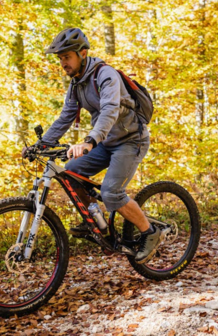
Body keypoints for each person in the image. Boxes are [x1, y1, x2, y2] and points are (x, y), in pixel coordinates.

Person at [31, 28, 160, 264]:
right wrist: (40, 145)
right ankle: (95, 219)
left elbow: (110, 110)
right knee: (71, 173)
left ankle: (151, 233)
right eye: (60, 58)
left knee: (111, 192)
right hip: (106, 142)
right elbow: (65, 118)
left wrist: (90, 141)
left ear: (83, 53)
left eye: (66, 57)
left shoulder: (105, 74)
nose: (63, 63)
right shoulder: (76, 84)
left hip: (131, 140)